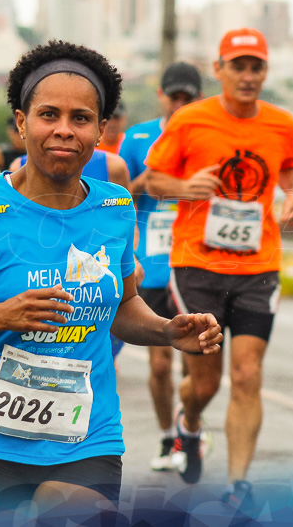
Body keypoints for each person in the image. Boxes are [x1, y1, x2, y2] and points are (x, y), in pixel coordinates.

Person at [0, 41, 222, 525]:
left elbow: (122, 304)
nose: (64, 130)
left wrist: (164, 331)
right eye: (49, 114)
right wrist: (1, 316)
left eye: (82, 118)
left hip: (86, 437)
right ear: (22, 121)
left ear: (101, 130)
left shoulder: (115, 208)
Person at [146, 28, 293, 506]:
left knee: (249, 373)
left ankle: (238, 485)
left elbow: (292, 165)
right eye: (238, 66)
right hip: (197, 266)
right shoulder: (190, 120)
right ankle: (189, 422)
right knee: (207, 382)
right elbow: (152, 180)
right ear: (218, 70)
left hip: (260, 266)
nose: (248, 75)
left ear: (265, 72)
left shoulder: (282, 123)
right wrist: (184, 186)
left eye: (256, 66)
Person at [118, 61, 202, 471]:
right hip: (149, 262)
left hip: (192, 260)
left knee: (196, 361)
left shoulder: (207, 137)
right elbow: (119, 199)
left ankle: (192, 430)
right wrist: (152, 177)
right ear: (161, 95)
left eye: (189, 97)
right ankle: (168, 437)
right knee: (159, 360)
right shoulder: (137, 138)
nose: (180, 104)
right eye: (175, 96)